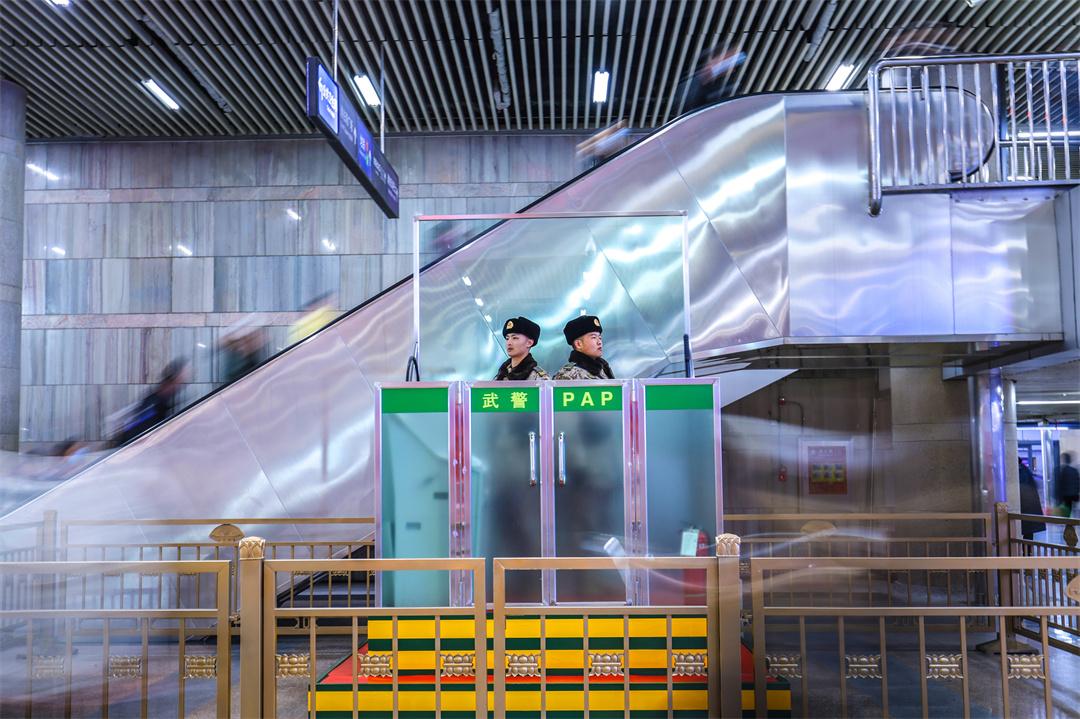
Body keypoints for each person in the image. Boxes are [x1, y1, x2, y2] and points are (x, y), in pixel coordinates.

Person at [116, 358, 190, 445]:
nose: (185, 381)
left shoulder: (170, 400)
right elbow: (136, 429)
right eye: (182, 376)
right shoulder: (153, 403)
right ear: (174, 378)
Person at [553, 315, 615, 380]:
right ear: (578, 344)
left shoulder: (603, 369)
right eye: (594, 337)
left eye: (600, 338)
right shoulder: (569, 375)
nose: (599, 342)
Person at [1018, 458, 1045, 540]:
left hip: (1026, 505)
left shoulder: (1020, 471)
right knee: (1028, 532)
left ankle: (1027, 548)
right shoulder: (1025, 469)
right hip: (1029, 506)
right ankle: (1028, 547)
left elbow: (1021, 488)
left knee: (1027, 530)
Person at [1056, 452, 1079, 517]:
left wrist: (1058, 497)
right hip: (1074, 495)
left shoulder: (1062, 470)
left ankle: (1068, 521)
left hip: (1066, 496)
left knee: (1066, 512)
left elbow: (1060, 485)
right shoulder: (1074, 470)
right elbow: (1077, 483)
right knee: (1072, 510)